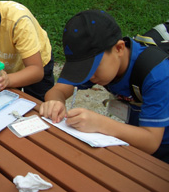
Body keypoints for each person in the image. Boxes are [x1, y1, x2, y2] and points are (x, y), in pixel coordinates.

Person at [39, 10, 169, 163]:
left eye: (92, 68)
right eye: (82, 70)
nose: (89, 76)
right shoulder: (107, 63)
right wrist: (55, 102)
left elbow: (151, 142)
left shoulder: (157, 75)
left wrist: (100, 124)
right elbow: (58, 90)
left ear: (119, 49)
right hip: (137, 135)